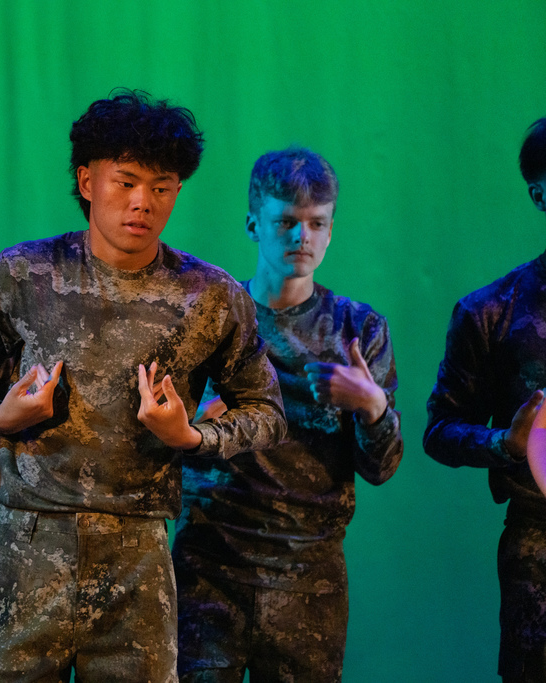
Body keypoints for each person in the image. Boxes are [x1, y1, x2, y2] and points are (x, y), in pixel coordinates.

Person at [0, 90, 287, 683]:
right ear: (87, 180)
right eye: (125, 182)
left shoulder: (211, 296)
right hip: (29, 542)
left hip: (137, 553)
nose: (143, 202)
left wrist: (191, 437)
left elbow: (266, 412)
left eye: (162, 187)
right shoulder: (25, 274)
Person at [173, 147, 403, 682]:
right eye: (286, 221)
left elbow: (381, 468)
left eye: (316, 223)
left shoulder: (357, 330)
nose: (302, 237)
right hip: (212, 563)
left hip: (309, 573)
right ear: (254, 224)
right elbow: (159, 436)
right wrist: (199, 418)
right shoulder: (210, 316)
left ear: (330, 230)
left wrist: (371, 407)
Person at [425, 117, 546, 682]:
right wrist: (506, 441)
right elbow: (440, 430)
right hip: (537, 550)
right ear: (538, 192)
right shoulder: (492, 310)